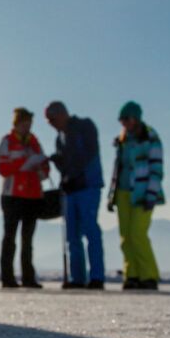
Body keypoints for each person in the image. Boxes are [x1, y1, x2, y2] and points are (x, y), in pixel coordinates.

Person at [45, 101, 105, 289]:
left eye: (52, 119)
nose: (51, 124)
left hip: (87, 186)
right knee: (72, 235)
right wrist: (59, 163)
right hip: (70, 190)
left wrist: (73, 172)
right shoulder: (59, 138)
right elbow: (66, 164)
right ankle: (77, 277)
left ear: (62, 114)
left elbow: (89, 154)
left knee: (90, 229)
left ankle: (97, 276)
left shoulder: (85, 126)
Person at [109, 100, 165, 290]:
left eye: (127, 119)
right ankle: (131, 275)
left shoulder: (150, 137)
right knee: (125, 236)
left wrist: (151, 193)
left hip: (142, 192)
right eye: (121, 120)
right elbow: (118, 170)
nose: (124, 123)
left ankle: (148, 275)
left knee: (137, 234)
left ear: (136, 118)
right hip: (123, 193)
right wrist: (112, 196)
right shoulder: (122, 140)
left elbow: (156, 168)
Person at [0, 107, 49, 288]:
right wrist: (22, 163)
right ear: (17, 124)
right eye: (24, 124)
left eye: (30, 124)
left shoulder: (34, 142)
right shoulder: (7, 141)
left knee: (28, 240)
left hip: (32, 196)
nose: (27, 128)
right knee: (9, 237)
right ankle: (7, 277)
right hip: (12, 196)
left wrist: (39, 168)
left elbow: (45, 168)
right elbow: (2, 168)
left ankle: (28, 277)